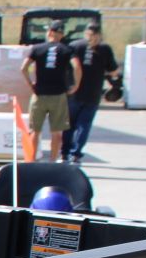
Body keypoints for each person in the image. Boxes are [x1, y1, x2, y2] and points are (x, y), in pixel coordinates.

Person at [24, 20, 82, 160]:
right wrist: (76, 85)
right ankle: (53, 161)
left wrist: (30, 84)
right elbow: (77, 66)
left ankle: (31, 161)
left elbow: (23, 68)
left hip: (39, 94)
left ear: (49, 32)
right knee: (56, 133)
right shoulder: (67, 49)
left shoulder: (37, 48)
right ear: (61, 35)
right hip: (58, 95)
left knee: (34, 131)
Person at [65, 22, 120, 163]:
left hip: (74, 91)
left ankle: (65, 152)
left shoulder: (75, 45)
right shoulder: (105, 48)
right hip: (93, 93)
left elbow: (66, 66)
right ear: (99, 35)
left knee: (69, 124)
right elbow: (114, 71)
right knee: (84, 124)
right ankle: (75, 153)